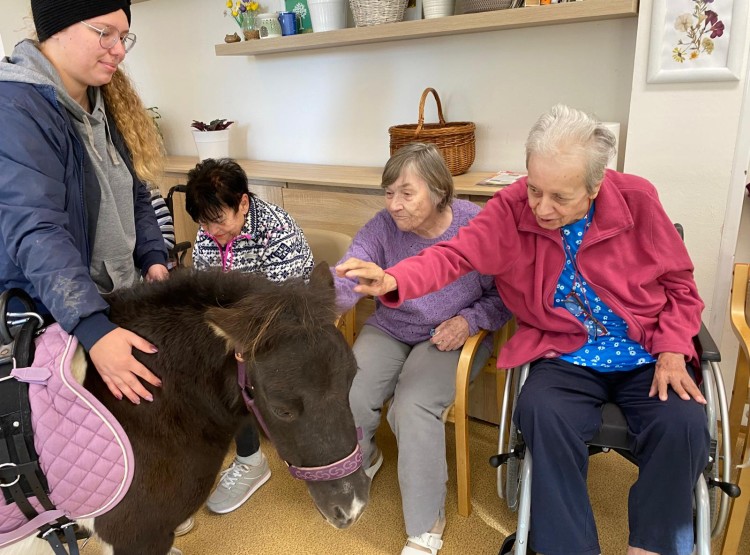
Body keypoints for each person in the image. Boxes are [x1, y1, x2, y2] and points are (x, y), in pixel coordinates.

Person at [337, 106, 710, 555]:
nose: (542, 208)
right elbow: (455, 255)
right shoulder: (512, 207)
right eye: (535, 190)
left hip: (645, 349)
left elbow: (680, 285)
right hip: (564, 351)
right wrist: (397, 280)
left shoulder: (638, 199)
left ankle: (653, 545)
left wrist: (672, 348)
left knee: (684, 422)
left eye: (560, 197)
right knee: (539, 411)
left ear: (596, 186)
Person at [334, 143, 510, 555]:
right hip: (393, 326)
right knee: (351, 389)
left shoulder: (473, 224)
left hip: (452, 333)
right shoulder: (381, 227)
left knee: (412, 407)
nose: (394, 204)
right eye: (388, 192)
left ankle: (426, 522)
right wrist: (329, 296)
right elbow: (352, 269)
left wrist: (469, 320)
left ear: (438, 190)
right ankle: (369, 455)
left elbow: (504, 296)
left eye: (406, 193)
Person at [0, 0, 169, 406]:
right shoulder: (17, 107)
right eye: (104, 33)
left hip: (119, 299)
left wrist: (154, 257)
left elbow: (134, 192)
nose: (119, 50)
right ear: (57, 28)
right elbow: (36, 229)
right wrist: (93, 327)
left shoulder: (103, 100)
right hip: (61, 316)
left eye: (123, 36)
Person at [184, 157, 314, 515]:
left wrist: (243, 337)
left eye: (218, 220)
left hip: (287, 322)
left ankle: (250, 460)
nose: (211, 231)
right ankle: (219, 446)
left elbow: (285, 303)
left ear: (243, 202)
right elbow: (204, 291)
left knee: (225, 370)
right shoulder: (210, 230)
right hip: (235, 323)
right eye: (204, 223)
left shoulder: (277, 229)